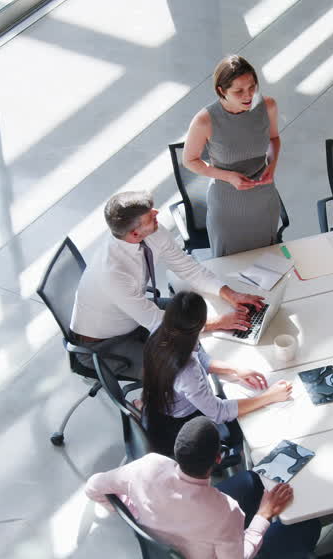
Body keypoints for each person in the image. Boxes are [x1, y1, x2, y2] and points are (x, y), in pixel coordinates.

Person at [84, 417, 321, 559]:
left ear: (177, 450)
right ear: (218, 459)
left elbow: (93, 487)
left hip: (165, 558)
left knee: (250, 481)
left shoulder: (148, 466)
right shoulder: (224, 511)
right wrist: (263, 514)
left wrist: (132, 512)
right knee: (305, 527)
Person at [69, 190, 263, 378]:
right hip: (107, 344)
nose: (156, 213)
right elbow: (156, 322)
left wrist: (230, 294)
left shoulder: (153, 232)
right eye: (149, 216)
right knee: (182, 372)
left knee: (195, 309)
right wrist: (217, 323)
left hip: (136, 314)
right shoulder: (111, 273)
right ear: (135, 234)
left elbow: (188, 268)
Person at [141, 291, 292, 457]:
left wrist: (234, 370)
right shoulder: (188, 372)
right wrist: (269, 397)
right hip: (182, 427)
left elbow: (199, 356)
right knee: (254, 426)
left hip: (158, 410)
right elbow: (218, 412)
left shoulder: (161, 331)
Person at [183, 55, 283, 257]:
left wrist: (272, 164)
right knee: (229, 266)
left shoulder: (268, 105)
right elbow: (189, 160)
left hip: (263, 197)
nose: (248, 95)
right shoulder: (205, 120)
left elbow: (274, 138)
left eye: (252, 87)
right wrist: (228, 177)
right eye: (239, 91)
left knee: (270, 260)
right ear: (221, 90)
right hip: (227, 202)